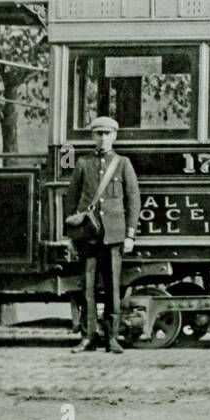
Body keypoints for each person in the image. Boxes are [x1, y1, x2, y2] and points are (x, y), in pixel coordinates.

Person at [64, 116, 140, 353]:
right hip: (88, 235)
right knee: (87, 289)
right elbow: (71, 200)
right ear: (93, 136)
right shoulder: (83, 163)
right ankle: (88, 338)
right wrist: (72, 234)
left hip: (114, 235)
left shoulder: (123, 163)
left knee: (112, 288)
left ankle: (112, 338)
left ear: (115, 136)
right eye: (99, 134)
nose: (103, 138)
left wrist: (130, 235)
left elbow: (133, 200)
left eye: (107, 134)